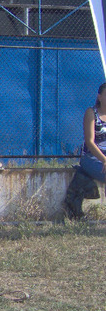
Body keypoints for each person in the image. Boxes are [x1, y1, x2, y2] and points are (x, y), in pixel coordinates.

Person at [64, 82, 106, 218]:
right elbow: (90, 141)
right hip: (92, 159)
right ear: (99, 97)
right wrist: (104, 160)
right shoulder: (91, 113)